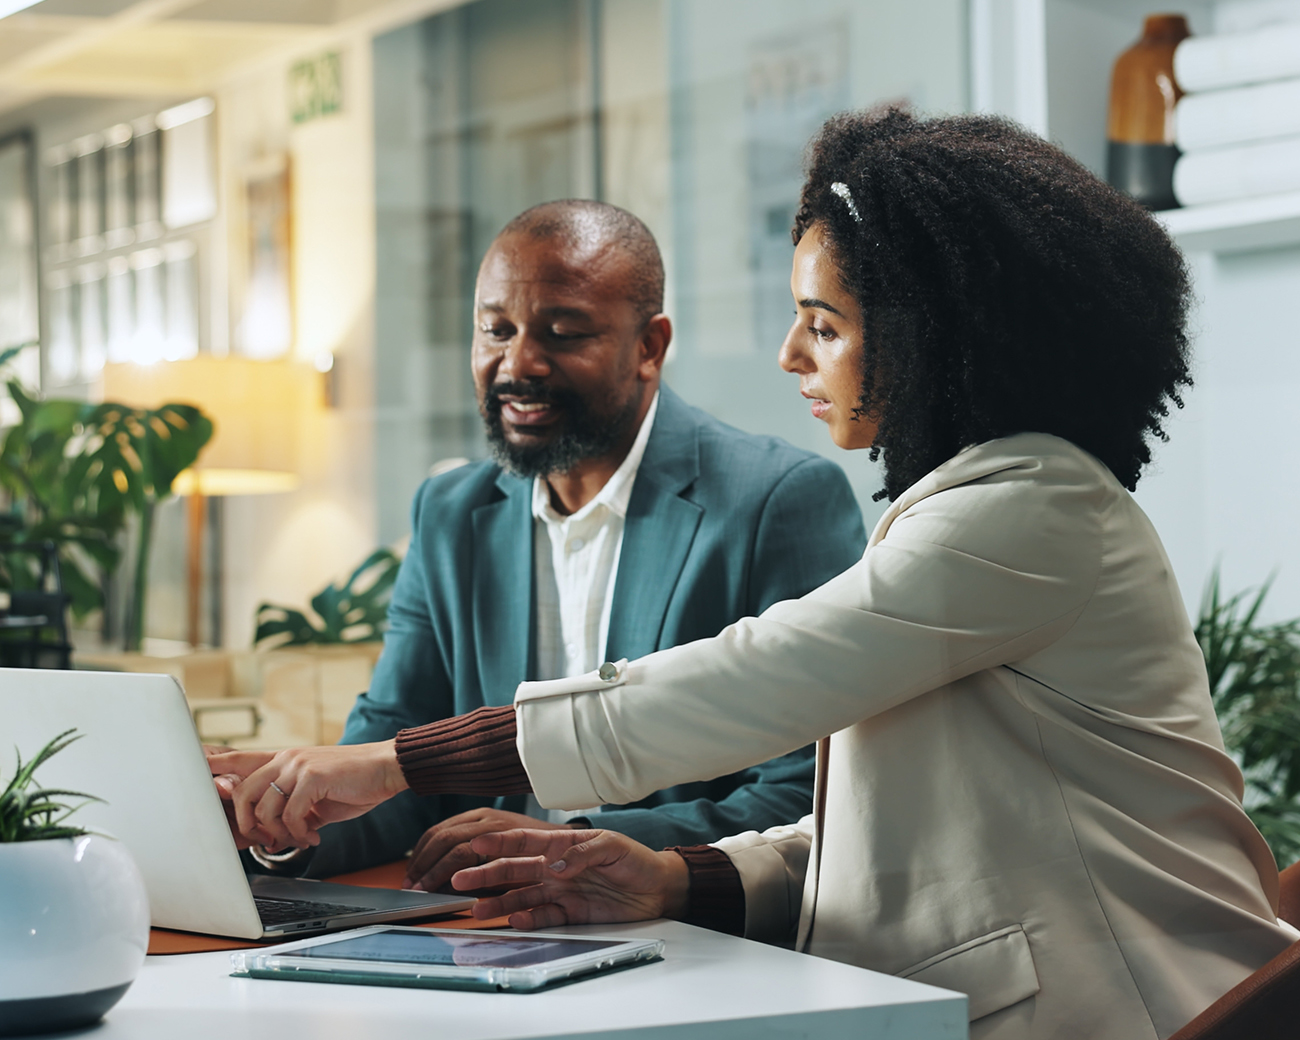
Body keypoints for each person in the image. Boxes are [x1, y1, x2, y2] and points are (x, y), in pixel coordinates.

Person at [210, 111, 1298, 1039]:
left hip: (1155, 1009)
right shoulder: (975, 503)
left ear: (932, 340)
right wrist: (674, 875)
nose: (790, 355)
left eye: (823, 324)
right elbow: (891, 831)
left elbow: (734, 682)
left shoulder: (1034, 510)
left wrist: (395, 763)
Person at [233, 199, 866, 888]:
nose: (519, 363)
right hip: (482, 929)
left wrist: (576, 845)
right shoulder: (450, 512)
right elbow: (389, 760)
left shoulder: (778, 499)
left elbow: (810, 788)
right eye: (495, 330)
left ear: (649, 347)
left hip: (683, 928)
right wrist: (282, 826)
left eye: (563, 332)